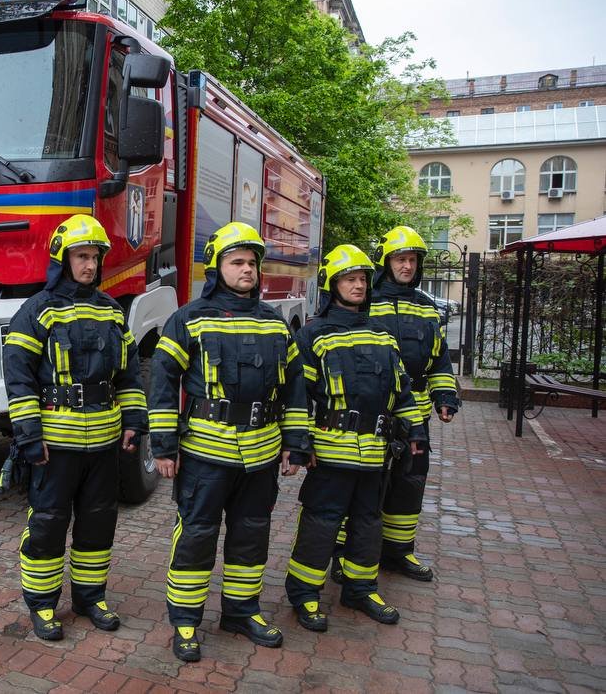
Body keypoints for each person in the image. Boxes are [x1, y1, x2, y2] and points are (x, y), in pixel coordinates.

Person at [149, 222, 309, 663]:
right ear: (216, 268)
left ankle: (241, 611)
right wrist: (163, 445)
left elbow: (295, 387)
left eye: (252, 263)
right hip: (205, 454)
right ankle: (185, 620)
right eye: (237, 262)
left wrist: (296, 442)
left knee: (251, 536)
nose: (247, 270)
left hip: (260, 456)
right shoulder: (189, 319)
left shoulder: (274, 324)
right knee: (197, 536)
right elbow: (163, 381)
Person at [2, 214, 147, 642]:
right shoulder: (38, 310)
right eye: (81, 256)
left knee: (98, 522)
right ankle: (43, 605)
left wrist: (134, 422)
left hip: (103, 444)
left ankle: (90, 597)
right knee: (47, 522)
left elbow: (129, 375)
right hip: (54, 446)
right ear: (62, 259)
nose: (89, 265)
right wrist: (28, 435)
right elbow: (19, 376)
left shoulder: (111, 313)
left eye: (95, 257)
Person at [283, 244, 426, 631]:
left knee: (367, 521)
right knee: (321, 522)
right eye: (350, 279)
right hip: (330, 452)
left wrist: (415, 429)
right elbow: (297, 396)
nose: (359, 285)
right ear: (333, 285)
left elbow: (402, 391)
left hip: (376, 451)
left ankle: (361, 588)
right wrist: (300, 443)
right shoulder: (313, 335)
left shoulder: (381, 334)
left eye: (363, 279)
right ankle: (305, 594)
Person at [365, 225, 458, 581]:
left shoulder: (427, 308)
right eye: (400, 259)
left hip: (415, 417)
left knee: (409, 485)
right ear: (385, 262)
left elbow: (439, 359)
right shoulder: (365, 302)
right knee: (364, 484)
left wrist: (445, 396)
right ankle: (346, 555)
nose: (407, 266)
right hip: (374, 413)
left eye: (412, 260)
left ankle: (398, 553)